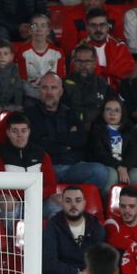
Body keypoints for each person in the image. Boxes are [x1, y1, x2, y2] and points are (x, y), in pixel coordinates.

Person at [30, 72, 112, 201]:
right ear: (39, 91)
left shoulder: (70, 113)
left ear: (61, 91)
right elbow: (36, 145)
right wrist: (66, 143)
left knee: (100, 171)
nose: (49, 92)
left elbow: (82, 139)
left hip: (72, 166)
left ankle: (77, 204)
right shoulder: (29, 115)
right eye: (45, 87)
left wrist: (53, 138)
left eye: (53, 87)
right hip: (45, 169)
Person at [42, 185, 107, 274]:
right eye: (68, 201)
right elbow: (49, 261)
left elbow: (101, 256)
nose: (73, 205)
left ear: (84, 203)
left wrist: (90, 271)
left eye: (78, 200)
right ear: (62, 203)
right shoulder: (54, 225)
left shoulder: (94, 224)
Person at [87, 97, 137, 189]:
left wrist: (125, 167)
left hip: (125, 166)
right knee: (112, 175)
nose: (112, 113)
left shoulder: (130, 130)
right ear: (102, 113)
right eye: (108, 110)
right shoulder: (96, 130)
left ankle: (130, 198)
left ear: (122, 114)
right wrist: (118, 167)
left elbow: (134, 153)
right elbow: (99, 154)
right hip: (107, 165)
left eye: (117, 110)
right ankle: (108, 198)